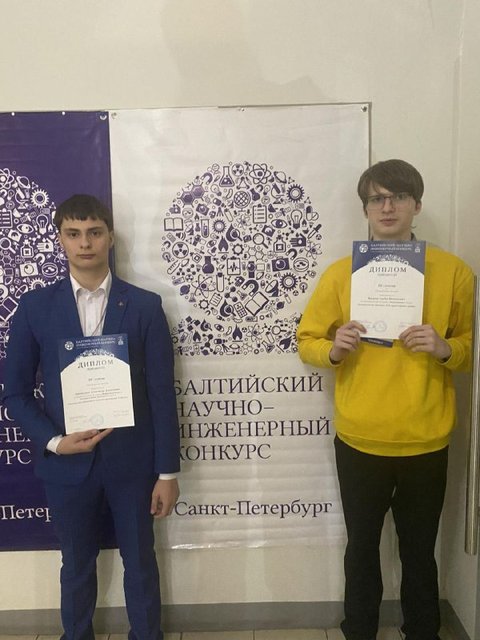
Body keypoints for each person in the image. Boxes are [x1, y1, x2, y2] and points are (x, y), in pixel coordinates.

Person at [297, 159, 473, 640]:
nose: (387, 207)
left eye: (398, 197)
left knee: (419, 552)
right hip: (360, 439)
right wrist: (334, 349)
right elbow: (306, 340)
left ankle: (423, 631)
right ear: (365, 209)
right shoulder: (341, 274)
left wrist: (445, 348)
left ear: (417, 204)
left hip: (426, 439)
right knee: (361, 549)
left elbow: (470, 347)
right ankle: (359, 631)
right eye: (377, 198)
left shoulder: (453, 272)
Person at [3, 194, 180, 640]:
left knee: (140, 562)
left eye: (95, 233)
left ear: (110, 238)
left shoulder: (144, 306)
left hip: (133, 463)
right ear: (60, 239)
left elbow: (162, 394)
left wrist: (167, 473)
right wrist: (55, 442)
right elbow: (16, 393)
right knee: (76, 564)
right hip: (67, 464)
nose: (85, 243)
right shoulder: (35, 307)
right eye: (74, 234)